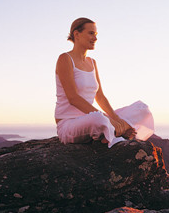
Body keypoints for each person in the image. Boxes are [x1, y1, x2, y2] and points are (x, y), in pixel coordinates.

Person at [55, 17, 154, 147]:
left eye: (96, 34)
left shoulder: (92, 62)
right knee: (99, 119)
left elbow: (100, 97)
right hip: (69, 124)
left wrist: (116, 119)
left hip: (92, 118)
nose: (95, 38)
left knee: (142, 109)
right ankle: (114, 133)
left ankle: (114, 131)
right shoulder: (65, 59)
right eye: (91, 33)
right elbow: (73, 98)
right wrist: (109, 120)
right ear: (76, 34)